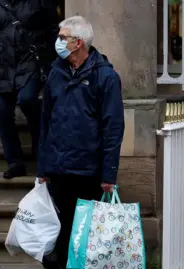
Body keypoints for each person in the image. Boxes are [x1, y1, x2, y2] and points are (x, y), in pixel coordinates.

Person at [37, 16, 125, 269]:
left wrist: (109, 174)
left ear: (78, 43)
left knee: (83, 232)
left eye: (63, 38)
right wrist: (43, 167)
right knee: (61, 229)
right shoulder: (56, 72)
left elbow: (113, 127)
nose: (58, 42)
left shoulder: (105, 77)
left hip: (88, 170)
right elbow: (46, 121)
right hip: (58, 167)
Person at [0, 0, 60, 179]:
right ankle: (15, 163)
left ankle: (40, 149)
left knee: (27, 100)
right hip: (5, 67)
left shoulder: (39, 2)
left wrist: (54, 63)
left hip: (31, 62)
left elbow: (53, 31)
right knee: (2, 111)